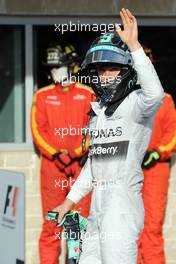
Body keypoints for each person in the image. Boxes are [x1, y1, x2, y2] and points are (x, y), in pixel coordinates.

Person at [53, 8, 164, 264]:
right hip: (97, 210)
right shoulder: (99, 112)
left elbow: (155, 94)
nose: (105, 75)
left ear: (126, 69)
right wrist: (68, 202)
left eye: (112, 68)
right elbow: (93, 165)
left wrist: (134, 46)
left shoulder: (137, 105)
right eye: (101, 70)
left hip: (122, 211)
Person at [31, 43, 94, 264]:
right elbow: (37, 131)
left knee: (77, 225)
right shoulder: (42, 95)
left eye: (57, 67)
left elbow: (93, 130)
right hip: (52, 168)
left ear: (71, 67)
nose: (53, 71)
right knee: (51, 225)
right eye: (51, 68)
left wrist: (76, 152)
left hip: (80, 168)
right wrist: (57, 154)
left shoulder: (87, 94)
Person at [138, 92, 176, 264]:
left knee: (152, 227)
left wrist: (157, 152)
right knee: (130, 228)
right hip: (128, 170)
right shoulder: (123, 98)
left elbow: (173, 133)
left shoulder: (165, 100)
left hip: (155, 169)